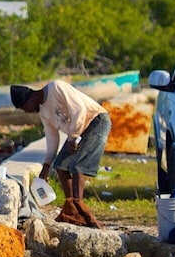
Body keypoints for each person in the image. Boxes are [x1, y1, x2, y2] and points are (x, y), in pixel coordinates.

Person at [11, 80, 112, 228]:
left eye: (24, 108)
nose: (26, 112)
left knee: (78, 166)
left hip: (96, 121)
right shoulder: (43, 113)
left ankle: (79, 206)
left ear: (30, 98)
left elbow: (79, 111)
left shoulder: (55, 88)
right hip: (78, 132)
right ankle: (71, 208)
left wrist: (72, 137)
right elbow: (52, 138)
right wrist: (46, 166)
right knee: (60, 165)